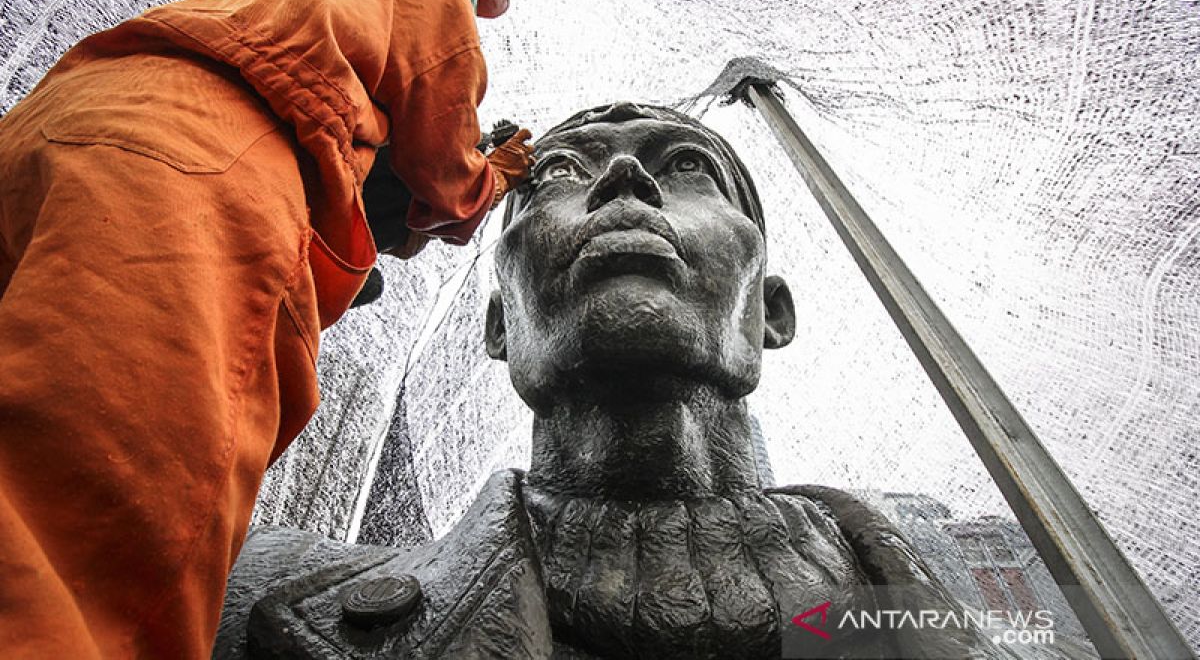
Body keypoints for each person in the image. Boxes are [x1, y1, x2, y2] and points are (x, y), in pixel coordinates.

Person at [213, 103, 1028, 659]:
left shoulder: (979, 588)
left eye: (687, 167)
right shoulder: (246, 589)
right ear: (502, 325)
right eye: (560, 172)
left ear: (770, 312)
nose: (623, 182)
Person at [0, 0, 533, 657]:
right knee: (91, 534)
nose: (472, 15)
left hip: (54, 128)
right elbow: (449, 173)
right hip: (185, 176)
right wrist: (495, 175)